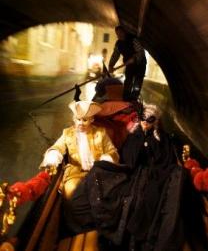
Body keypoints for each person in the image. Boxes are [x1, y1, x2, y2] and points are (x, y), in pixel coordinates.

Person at [65, 103, 184, 251]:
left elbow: (163, 161)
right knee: (99, 173)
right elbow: (127, 158)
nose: (145, 123)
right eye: (142, 119)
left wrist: (150, 148)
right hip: (132, 173)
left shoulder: (162, 139)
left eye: (149, 120)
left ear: (156, 121)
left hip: (152, 176)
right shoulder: (134, 136)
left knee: (141, 199)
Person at [40, 100, 119, 199]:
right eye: (78, 119)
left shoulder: (100, 133)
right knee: (70, 190)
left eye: (85, 120)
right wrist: (53, 156)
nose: (81, 123)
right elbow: (58, 147)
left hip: (98, 172)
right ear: (74, 119)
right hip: (75, 172)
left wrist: (105, 159)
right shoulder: (67, 133)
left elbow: (112, 151)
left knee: (104, 192)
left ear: (92, 120)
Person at [108, 25, 147, 101]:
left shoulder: (133, 39)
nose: (119, 35)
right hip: (129, 64)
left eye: (120, 33)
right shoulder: (118, 44)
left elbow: (141, 52)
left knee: (137, 83)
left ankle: (134, 99)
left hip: (140, 64)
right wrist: (111, 65)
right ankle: (126, 99)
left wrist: (134, 58)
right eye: (117, 34)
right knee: (128, 80)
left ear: (124, 32)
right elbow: (115, 55)